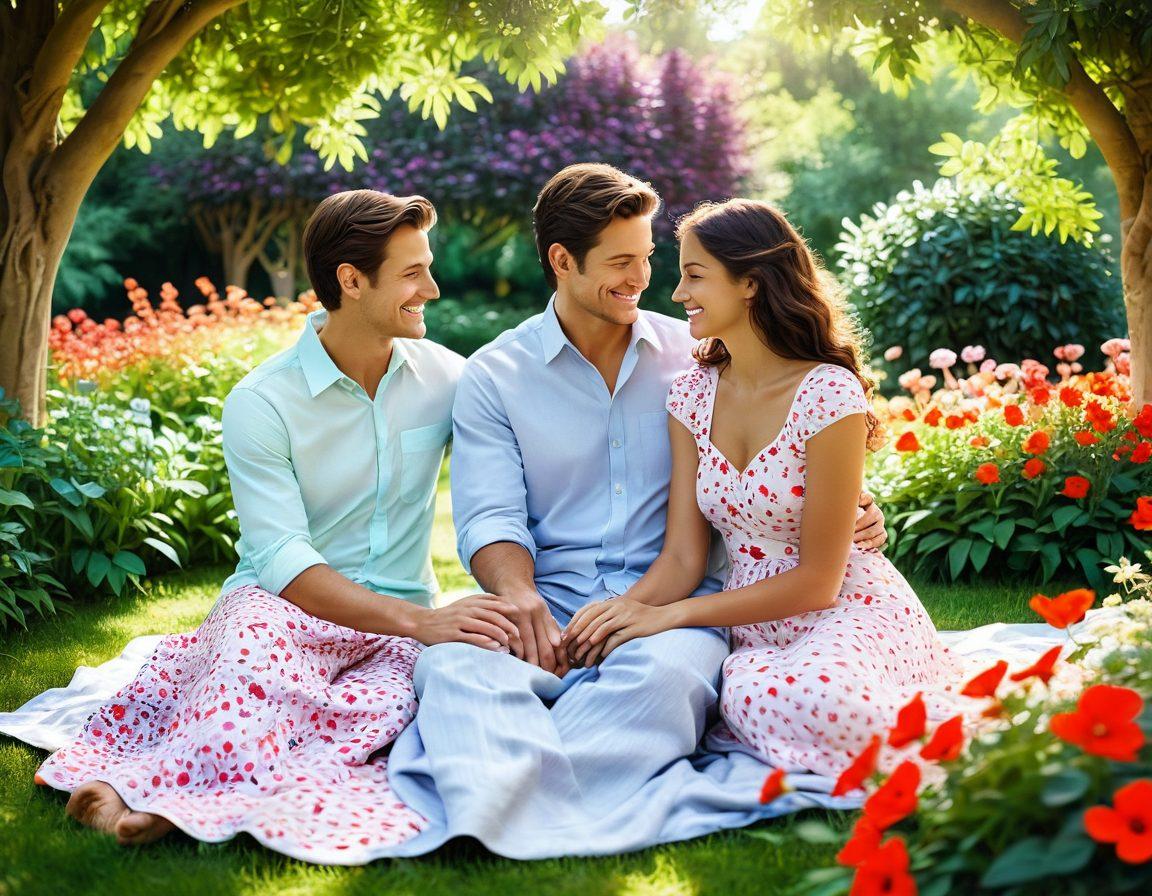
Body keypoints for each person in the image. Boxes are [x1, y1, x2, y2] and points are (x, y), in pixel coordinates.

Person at [385, 165, 888, 858]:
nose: (645, 279)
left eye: (650, 258)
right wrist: (520, 599)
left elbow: (790, 437)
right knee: (451, 670)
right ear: (563, 261)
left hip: (672, 599)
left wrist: (858, 506)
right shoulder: (494, 376)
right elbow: (489, 516)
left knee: (663, 678)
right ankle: (520, 798)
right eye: (622, 262)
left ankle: (509, 801)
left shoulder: (701, 352)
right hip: (547, 599)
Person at [38, 190, 521, 861]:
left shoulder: (449, 378)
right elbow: (282, 558)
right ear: (351, 281)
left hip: (393, 629)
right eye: (412, 273)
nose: (432, 290)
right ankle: (133, 794)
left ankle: (172, 800)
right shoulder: (263, 401)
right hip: (282, 608)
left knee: (382, 718)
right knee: (247, 686)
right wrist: (423, 622)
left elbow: (505, 486)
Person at [562, 198, 961, 778]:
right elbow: (682, 555)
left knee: (822, 700)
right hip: (755, 626)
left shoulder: (828, 393)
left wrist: (672, 618)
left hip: (848, 607)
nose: (677, 294)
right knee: (750, 696)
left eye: (695, 276)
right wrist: (624, 612)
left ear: (750, 283)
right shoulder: (690, 395)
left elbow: (820, 583)